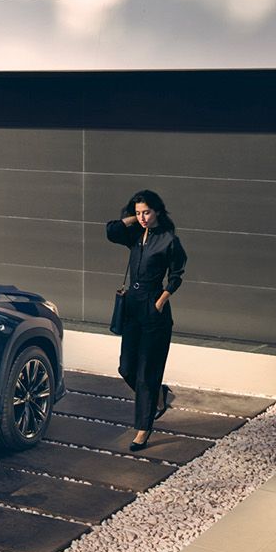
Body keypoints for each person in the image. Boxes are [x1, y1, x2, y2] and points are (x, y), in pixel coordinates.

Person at [105, 189, 187, 451]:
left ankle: (143, 429)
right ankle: (159, 396)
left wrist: (161, 300)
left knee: (145, 375)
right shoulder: (134, 234)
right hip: (132, 308)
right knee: (126, 368)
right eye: (138, 212)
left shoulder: (168, 240)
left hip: (154, 311)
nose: (142, 217)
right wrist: (132, 217)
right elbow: (111, 231)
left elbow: (177, 274)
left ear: (158, 211)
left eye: (146, 212)